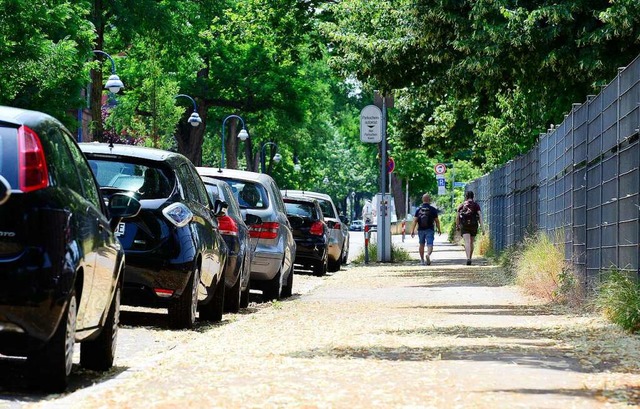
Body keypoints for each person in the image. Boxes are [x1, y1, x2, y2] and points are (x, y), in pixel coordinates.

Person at [410, 193, 441, 265]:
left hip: (420, 229)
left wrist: (412, 230)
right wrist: (439, 229)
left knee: (421, 244)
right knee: (430, 244)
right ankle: (428, 254)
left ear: (422, 200)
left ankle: (422, 260)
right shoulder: (433, 209)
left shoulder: (418, 209)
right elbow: (437, 221)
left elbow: (415, 220)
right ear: (429, 200)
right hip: (430, 229)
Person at [456, 190, 483, 265]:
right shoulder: (476, 205)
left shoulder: (461, 205)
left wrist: (457, 225)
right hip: (473, 225)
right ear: (473, 196)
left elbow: (457, 217)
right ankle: (470, 257)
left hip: (464, 225)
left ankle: (468, 258)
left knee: (467, 241)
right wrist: (482, 227)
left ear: (466, 197)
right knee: (471, 242)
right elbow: (480, 216)